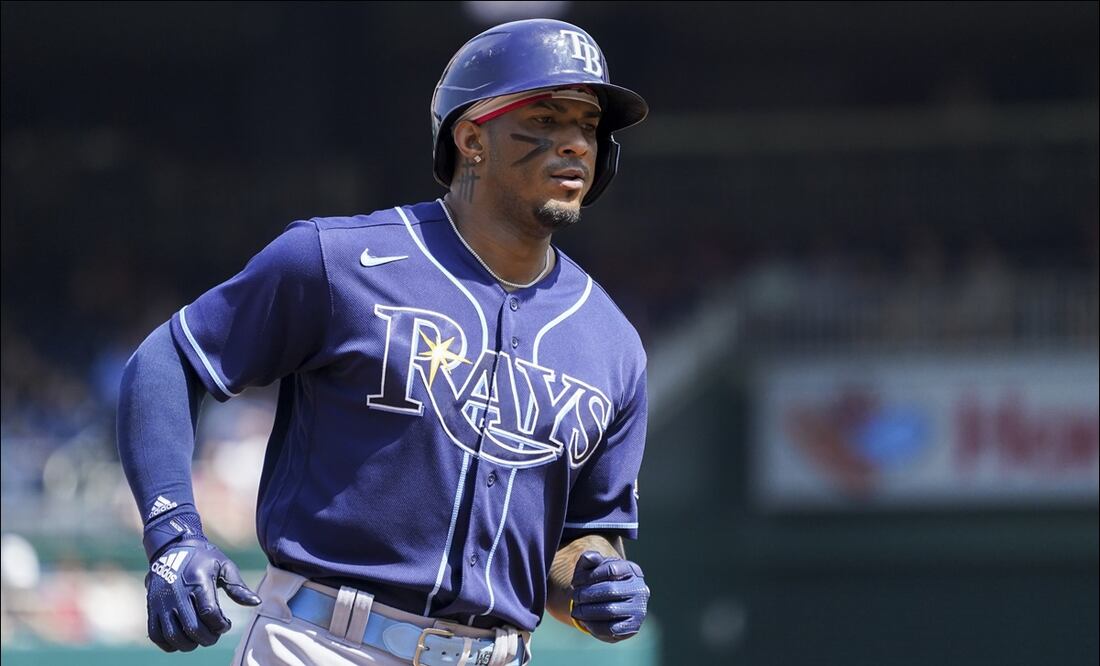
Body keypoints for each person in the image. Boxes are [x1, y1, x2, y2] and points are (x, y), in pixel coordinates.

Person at [117, 18, 651, 666]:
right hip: (325, 643)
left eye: (588, 125)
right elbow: (169, 359)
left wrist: (595, 580)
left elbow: (581, 540)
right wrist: (173, 534)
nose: (574, 144)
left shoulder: (612, 344)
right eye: (545, 118)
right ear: (472, 139)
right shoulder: (339, 260)